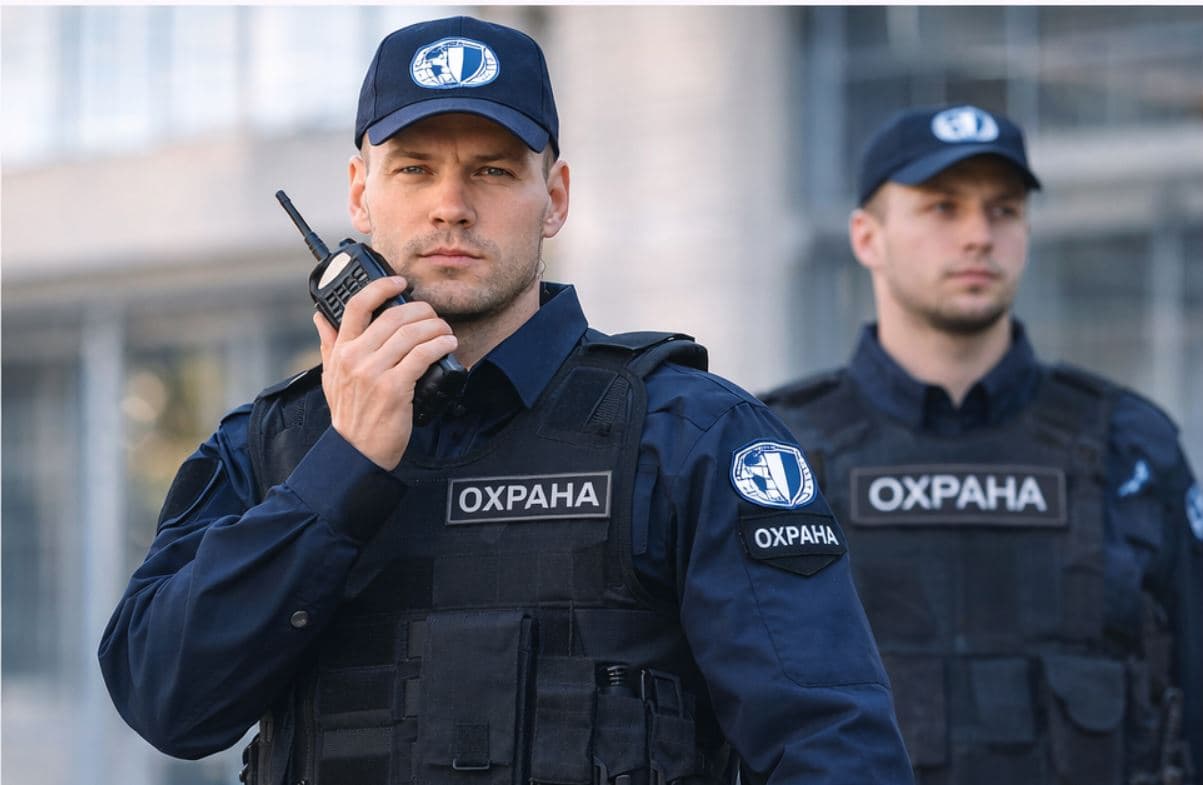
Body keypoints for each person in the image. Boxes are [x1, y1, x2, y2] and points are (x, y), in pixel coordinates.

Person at [98, 16, 914, 785]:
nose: (451, 205)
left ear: (554, 197)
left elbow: (832, 749)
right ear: (359, 193)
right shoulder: (268, 448)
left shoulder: (692, 435)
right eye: (414, 168)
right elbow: (169, 704)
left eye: (492, 170)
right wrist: (341, 470)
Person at [762, 103, 1202, 784]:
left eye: (1004, 210)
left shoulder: (1132, 448)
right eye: (942, 208)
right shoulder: (774, 451)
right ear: (867, 237)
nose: (978, 236)